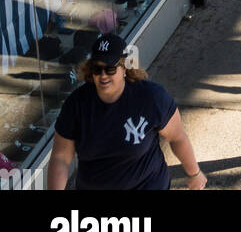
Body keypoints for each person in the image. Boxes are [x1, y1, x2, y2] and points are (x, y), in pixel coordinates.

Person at [47, 33, 206, 190]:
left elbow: (177, 137)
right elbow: (60, 157)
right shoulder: (76, 105)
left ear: (124, 68)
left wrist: (194, 174)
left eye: (110, 69)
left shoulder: (151, 98)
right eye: (97, 69)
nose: (103, 76)